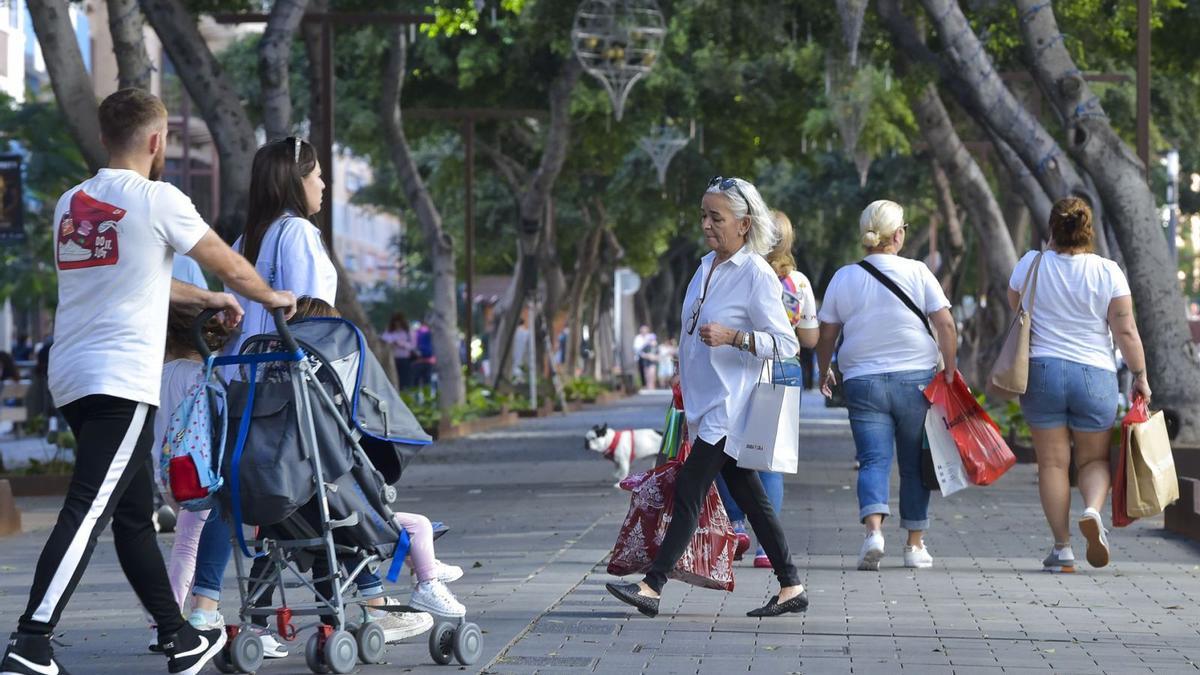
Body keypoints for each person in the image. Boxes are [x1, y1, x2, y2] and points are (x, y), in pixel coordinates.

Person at [0, 88, 296, 675]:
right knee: (87, 512)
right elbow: (225, 258)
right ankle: (30, 640)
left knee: (133, 516)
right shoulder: (158, 198)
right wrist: (271, 295)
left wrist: (210, 298)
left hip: (73, 374)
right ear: (158, 141)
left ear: (106, 136)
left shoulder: (71, 203)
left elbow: (134, 281)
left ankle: (180, 636)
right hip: (122, 379)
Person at [191, 138, 430, 645]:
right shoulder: (297, 232)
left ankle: (209, 607)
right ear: (295, 180)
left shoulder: (244, 242)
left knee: (241, 496)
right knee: (323, 491)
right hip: (289, 393)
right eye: (317, 174)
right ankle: (371, 598)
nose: (324, 183)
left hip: (244, 389)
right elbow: (309, 321)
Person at [606, 176, 806, 618]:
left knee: (690, 490)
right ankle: (791, 584)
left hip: (732, 406)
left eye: (717, 217)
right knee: (751, 498)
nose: (707, 224)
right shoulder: (705, 266)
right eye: (703, 215)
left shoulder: (755, 274)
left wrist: (737, 337)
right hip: (702, 402)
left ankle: (652, 585)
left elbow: (787, 344)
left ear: (743, 223)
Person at [815, 200, 957, 572]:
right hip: (916, 380)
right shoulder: (919, 271)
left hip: (862, 382)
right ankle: (914, 545)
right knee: (913, 464)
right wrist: (950, 369)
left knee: (873, 460)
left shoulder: (844, 277)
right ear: (898, 234)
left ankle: (873, 535)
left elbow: (827, 332)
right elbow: (945, 325)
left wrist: (824, 369)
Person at [1011, 198, 1149, 573]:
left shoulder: (1030, 265)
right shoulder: (1108, 272)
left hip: (1041, 372)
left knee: (1053, 463)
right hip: (1095, 374)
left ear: (1051, 227)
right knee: (1093, 460)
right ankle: (1091, 511)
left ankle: (1062, 549)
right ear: (1088, 228)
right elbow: (1125, 329)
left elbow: (1017, 311)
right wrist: (1139, 375)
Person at [715, 209, 819, 568]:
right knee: (770, 461)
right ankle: (765, 549)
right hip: (784, 372)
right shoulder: (799, 284)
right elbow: (809, 338)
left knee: (725, 450)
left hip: (743, 369)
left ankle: (736, 523)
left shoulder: (742, 274)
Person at [382, 311, 416, 388]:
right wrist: (391, 343)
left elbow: (413, 346)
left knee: (405, 380)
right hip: (392, 359)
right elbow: (384, 340)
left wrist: (402, 344)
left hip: (405, 359)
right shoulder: (389, 331)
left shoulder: (408, 332)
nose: (397, 324)